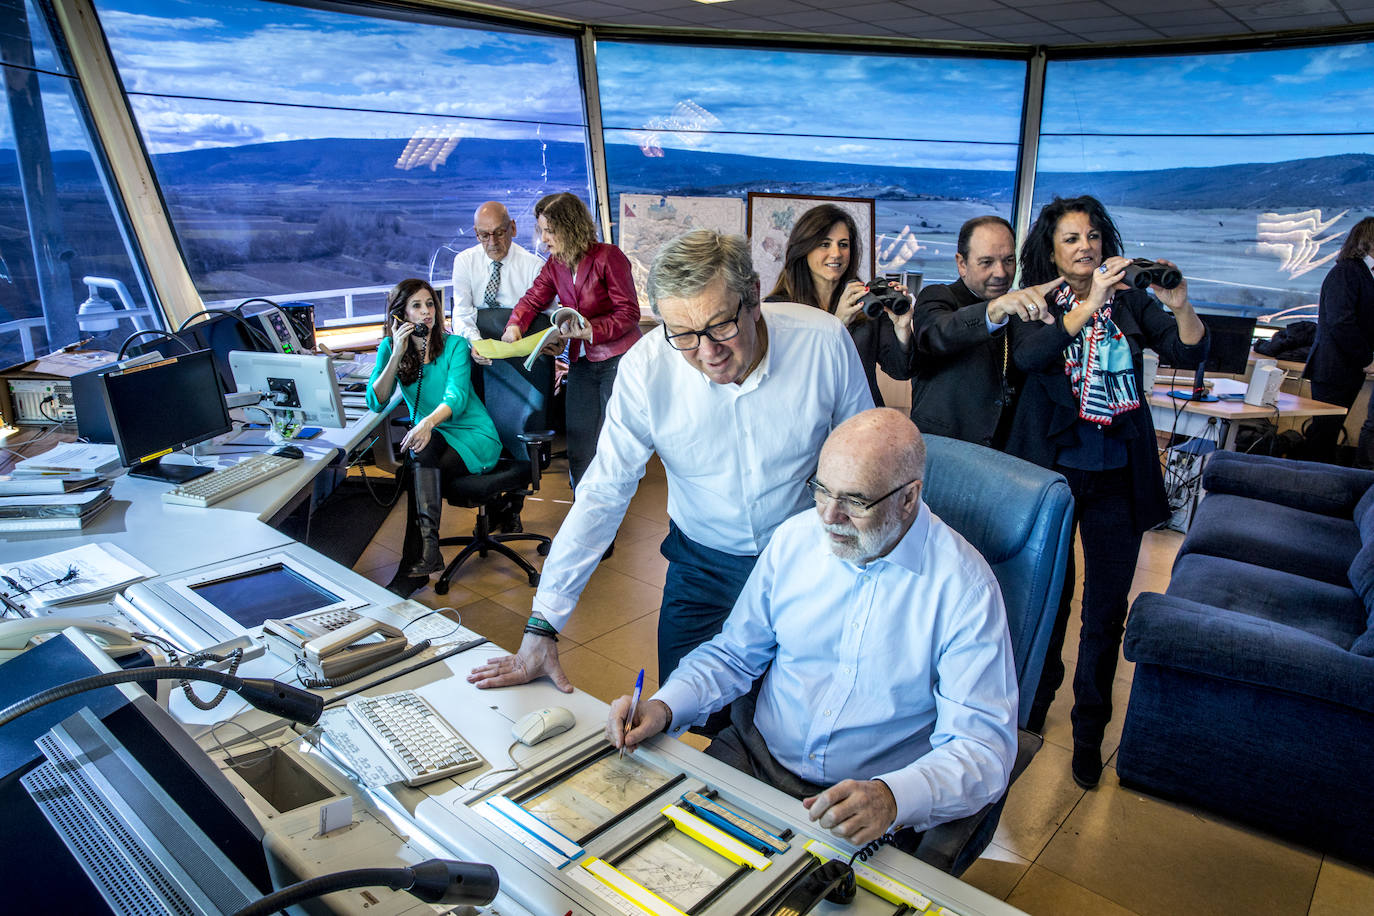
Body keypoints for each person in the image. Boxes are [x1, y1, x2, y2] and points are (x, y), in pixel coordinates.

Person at [469, 230, 872, 694]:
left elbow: (863, 458)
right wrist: (543, 625)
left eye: (721, 326)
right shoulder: (646, 368)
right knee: (683, 705)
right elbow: (604, 490)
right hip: (702, 564)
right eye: (682, 334)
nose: (708, 354)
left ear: (754, 297)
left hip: (811, 559)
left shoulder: (822, 343)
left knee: (799, 709)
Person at [607, 409, 1017, 847]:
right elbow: (734, 654)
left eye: (855, 502)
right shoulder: (795, 540)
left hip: (866, 802)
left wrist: (893, 798)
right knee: (652, 854)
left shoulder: (965, 589)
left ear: (908, 498)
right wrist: (665, 706)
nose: (829, 516)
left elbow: (983, 750)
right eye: (822, 491)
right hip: (755, 754)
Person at [1004, 195, 1206, 790]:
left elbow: (1188, 349)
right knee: (1051, 598)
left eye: (1092, 236)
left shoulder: (1133, 301)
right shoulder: (1036, 303)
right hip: (1053, 475)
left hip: (1118, 472)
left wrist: (1182, 305)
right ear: (1050, 248)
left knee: (1106, 608)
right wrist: (1087, 306)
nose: (1085, 246)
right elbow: (1032, 359)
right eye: (1071, 238)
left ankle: (1089, 729)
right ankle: (1035, 708)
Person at [367, 278, 501, 595]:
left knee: (417, 463)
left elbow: (456, 397)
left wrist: (426, 422)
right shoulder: (389, 348)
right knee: (420, 456)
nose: (427, 312)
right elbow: (377, 400)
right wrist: (397, 353)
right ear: (399, 315)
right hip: (431, 435)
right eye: (417, 306)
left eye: (430, 304)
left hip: (471, 434)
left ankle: (415, 566)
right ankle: (424, 555)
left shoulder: (453, 346)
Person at [502, 192, 642, 490]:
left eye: (549, 231)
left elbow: (629, 313)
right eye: (542, 231)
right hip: (581, 363)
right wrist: (515, 326)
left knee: (612, 443)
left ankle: (608, 519)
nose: (544, 239)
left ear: (570, 227)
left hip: (617, 360)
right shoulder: (556, 265)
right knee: (579, 442)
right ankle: (584, 513)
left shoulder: (608, 257)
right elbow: (532, 299)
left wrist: (590, 330)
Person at [909, 215, 1063, 448]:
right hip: (945, 449)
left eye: (1009, 260)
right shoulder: (938, 296)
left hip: (1006, 452)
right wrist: (995, 310)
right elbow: (937, 334)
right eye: (987, 262)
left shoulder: (1023, 308)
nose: (1001, 273)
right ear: (962, 263)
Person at [765, 203, 912, 406]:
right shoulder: (776, 309)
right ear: (804, 249)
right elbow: (785, 376)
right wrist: (838, 323)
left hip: (864, 423)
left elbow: (900, 370)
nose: (836, 253)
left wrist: (902, 328)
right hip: (808, 422)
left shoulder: (866, 302)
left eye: (843, 244)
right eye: (825, 244)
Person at [1302, 217, 1374, 466]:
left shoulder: (1363, 274)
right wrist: (1367, 359)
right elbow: (1340, 321)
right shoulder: (1347, 272)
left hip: (1347, 369)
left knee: (1328, 433)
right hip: (1333, 368)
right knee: (1323, 435)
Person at [450, 201, 544, 348]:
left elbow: (547, 317)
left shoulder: (534, 266)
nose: (492, 242)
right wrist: (476, 344)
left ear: (512, 228)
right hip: (476, 342)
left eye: (499, 233)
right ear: (476, 234)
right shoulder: (464, 261)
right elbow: (462, 313)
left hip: (522, 344)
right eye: (484, 235)